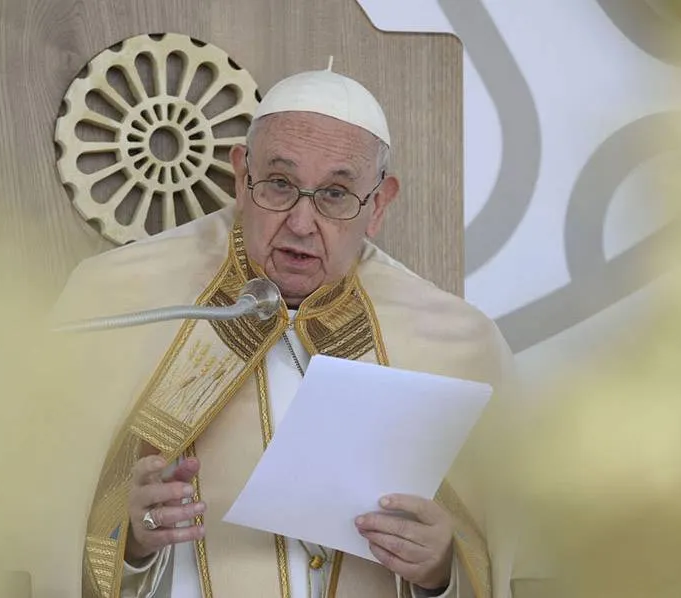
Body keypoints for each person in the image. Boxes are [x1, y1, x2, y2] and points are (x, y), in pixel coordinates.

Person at [50, 65, 517, 598]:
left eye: (336, 194)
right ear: (240, 175)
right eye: (279, 184)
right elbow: (42, 531)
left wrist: (441, 572)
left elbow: (499, 560)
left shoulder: (456, 342)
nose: (300, 222)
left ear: (379, 204)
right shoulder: (120, 303)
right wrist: (128, 542)